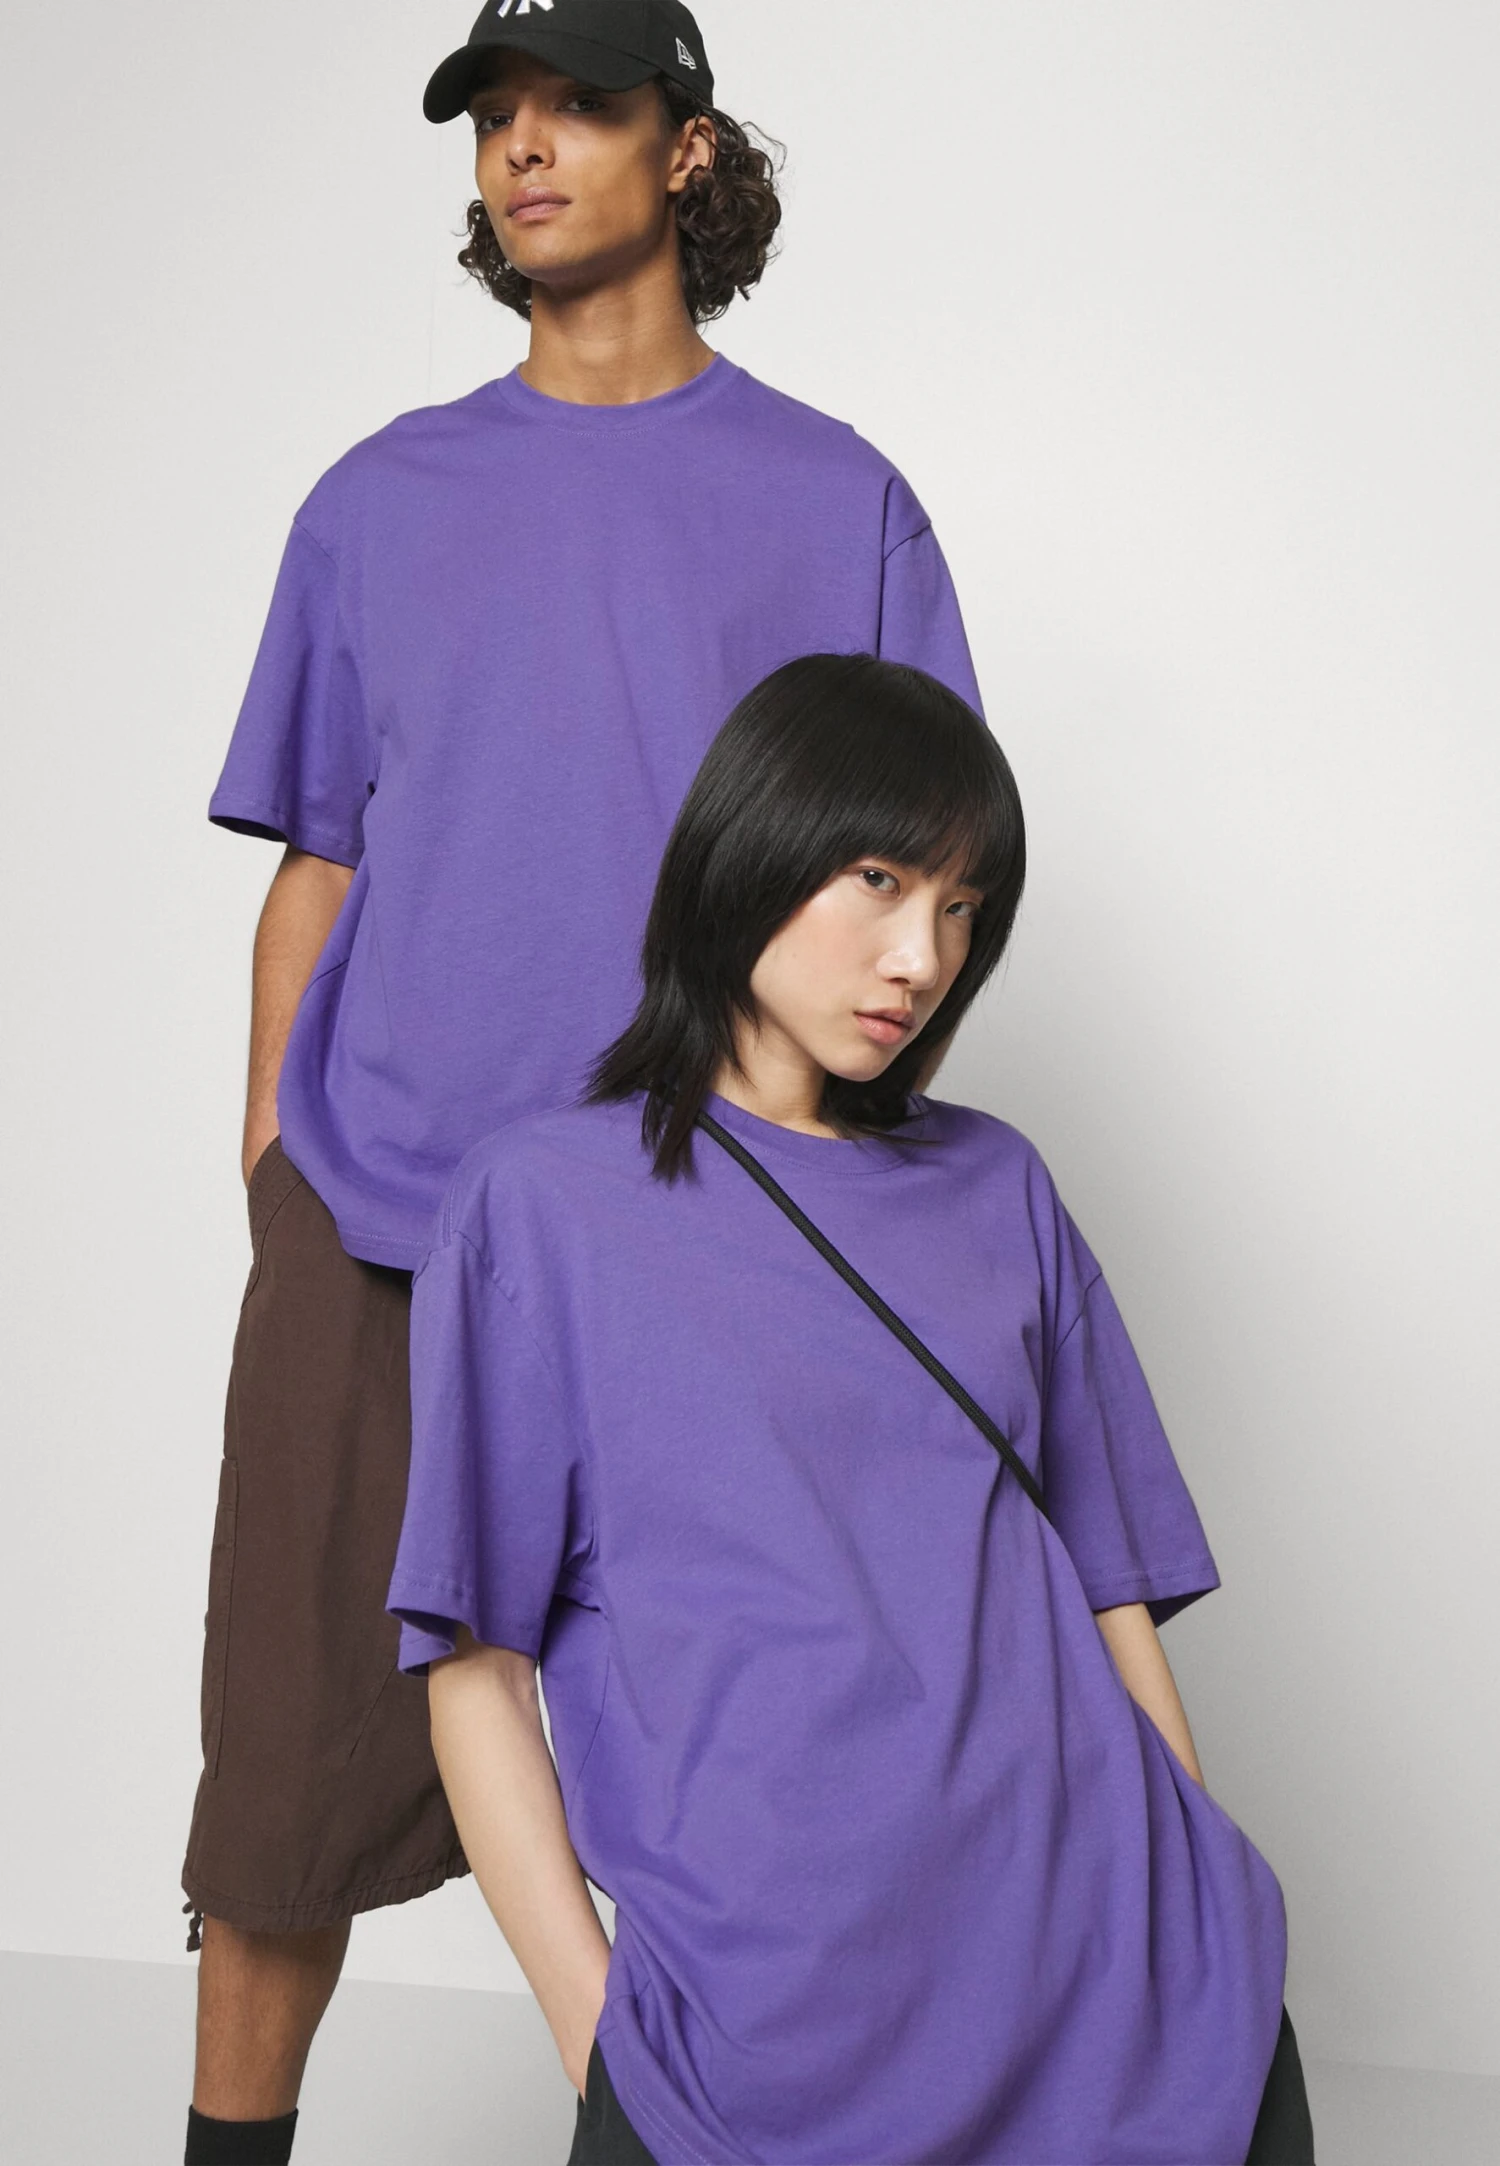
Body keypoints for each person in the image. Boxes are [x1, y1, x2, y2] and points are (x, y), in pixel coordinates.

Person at [182, 3, 986, 2159]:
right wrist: (274, 1157)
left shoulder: (838, 505)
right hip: (385, 1221)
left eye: (582, 106)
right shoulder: (378, 502)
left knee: (744, 1762)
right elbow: (320, 857)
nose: (527, 148)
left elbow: (918, 868)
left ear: (687, 150)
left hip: (699, 1234)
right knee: (281, 1771)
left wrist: (820, 1180)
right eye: (497, 116)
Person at [388, 653, 1316, 2165]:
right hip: (769, 2046)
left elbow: (1111, 1594)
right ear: (750, 845)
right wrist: (597, 2031)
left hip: (1133, 2007)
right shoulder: (540, 1208)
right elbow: (474, 1668)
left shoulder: (1000, 1185)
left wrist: (1195, 1914)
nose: (921, 955)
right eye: (880, 879)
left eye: (962, 907)